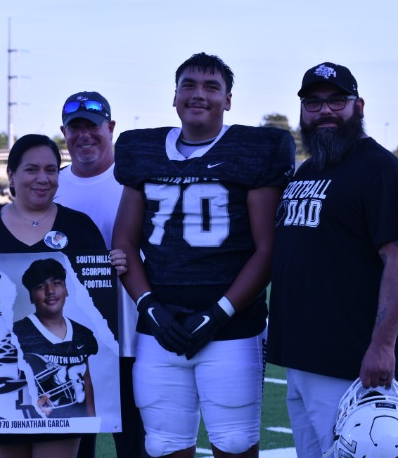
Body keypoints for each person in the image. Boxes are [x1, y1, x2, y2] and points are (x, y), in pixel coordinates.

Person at [112, 52, 295, 458]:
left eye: (212, 87)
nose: (199, 94)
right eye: (189, 85)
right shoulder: (141, 149)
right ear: (174, 96)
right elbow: (123, 241)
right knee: (163, 444)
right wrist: (150, 309)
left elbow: (267, 249)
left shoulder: (254, 148)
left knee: (234, 442)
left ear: (228, 100)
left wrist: (218, 313)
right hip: (160, 327)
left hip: (232, 327)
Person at [0, 133, 126, 458]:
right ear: (11, 175)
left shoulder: (80, 226)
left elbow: (99, 288)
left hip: (65, 403)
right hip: (7, 392)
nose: (42, 178)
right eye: (31, 169)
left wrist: (115, 266)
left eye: (51, 169)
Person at [266, 62, 398, 458]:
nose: (325, 112)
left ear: (359, 106)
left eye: (337, 101)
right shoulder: (308, 170)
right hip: (304, 357)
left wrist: (382, 346)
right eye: (313, 103)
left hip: (353, 362)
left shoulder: (380, 170)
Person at [54, 91, 148, 458]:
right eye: (75, 128)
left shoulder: (135, 181)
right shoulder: (50, 185)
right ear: (64, 132)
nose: (84, 136)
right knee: (75, 447)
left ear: (111, 127)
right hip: (69, 342)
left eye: (92, 126)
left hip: (131, 338)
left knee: (135, 444)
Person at [14, 258, 98, 419]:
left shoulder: (83, 334)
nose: (50, 291)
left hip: (78, 421)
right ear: (31, 296)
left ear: (66, 289)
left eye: (56, 283)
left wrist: (92, 420)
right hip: (36, 421)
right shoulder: (16, 333)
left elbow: (86, 380)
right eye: (40, 286)